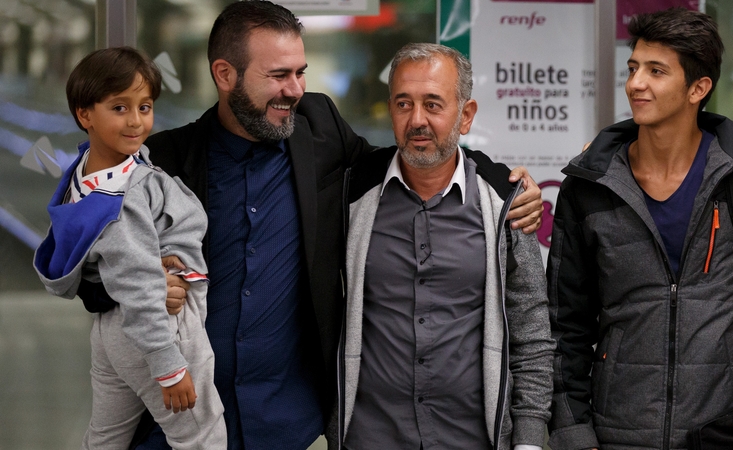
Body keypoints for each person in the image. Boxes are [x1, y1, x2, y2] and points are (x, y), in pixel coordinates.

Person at [77, 2, 545, 449]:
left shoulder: (320, 129)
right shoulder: (168, 162)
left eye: (300, 72)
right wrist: (140, 281)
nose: (295, 89)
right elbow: (88, 257)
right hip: (180, 418)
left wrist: (500, 180)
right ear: (225, 75)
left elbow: (414, 154)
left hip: (285, 424)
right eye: (278, 75)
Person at [546, 8, 733, 450]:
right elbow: (563, 325)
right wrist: (572, 433)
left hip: (732, 429)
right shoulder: (590, 189)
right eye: (633, 68)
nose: (635, 83)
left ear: (698, 88)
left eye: (656, 71)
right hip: (618, 433)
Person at [328, 43, 553, 450]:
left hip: (471, 439)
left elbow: (532, 332)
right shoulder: (349, 198)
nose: (417, 120)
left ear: (465, 116)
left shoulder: (506, 205)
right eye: (403, 104)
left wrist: (530, 440)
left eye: (433, 104)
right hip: (370, 437)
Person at [32, 47, 226, 449]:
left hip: (110, 333)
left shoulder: (87, 173)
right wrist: (169, 365)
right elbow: (138, 282)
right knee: (202, 435)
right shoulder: (124, 198)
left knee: (105, 439)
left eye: (145, 106)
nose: (137, 121)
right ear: (85, 114)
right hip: (156, 325)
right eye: (119, 108)